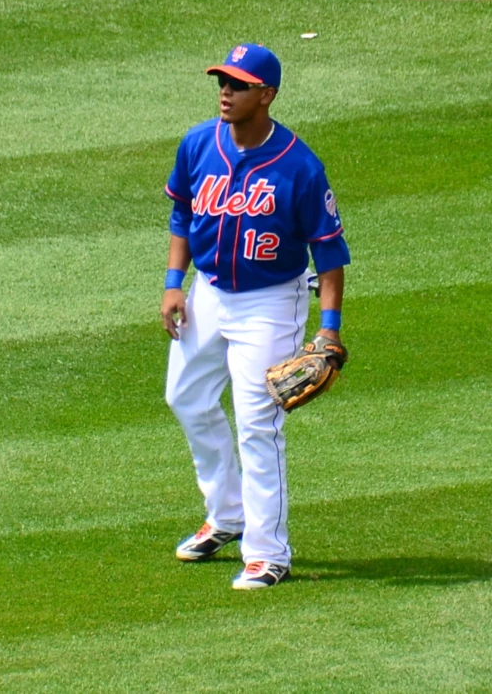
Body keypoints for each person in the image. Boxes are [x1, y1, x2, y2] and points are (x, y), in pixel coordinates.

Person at [161, 43, 350, 590]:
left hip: (271, 301)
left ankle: (268, 552)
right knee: (186, 397)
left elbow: (330, 254)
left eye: (238, 85)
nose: (226, 91)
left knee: (257, 424)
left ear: (266, 95)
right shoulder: (198, 143)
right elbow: (183, 212)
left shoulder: (300, 166)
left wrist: (328, 328)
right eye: (222, 80)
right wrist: (175, 285)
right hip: (209, 291)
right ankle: (227, 516)